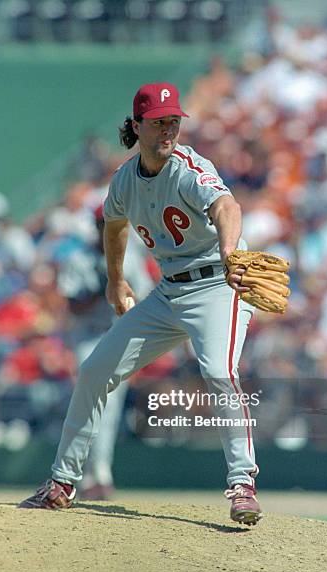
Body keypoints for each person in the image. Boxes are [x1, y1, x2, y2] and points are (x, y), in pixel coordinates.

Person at [19, 82, 262, 525]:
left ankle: (243, 483)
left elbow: (228, 207)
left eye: (174, 121)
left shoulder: (189, 167)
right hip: (169, 292)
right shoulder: (125, 180)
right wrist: (116, 281)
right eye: (159, 122)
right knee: (95, 370)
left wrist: (230, 255)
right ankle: (62, 481)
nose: (169, 129)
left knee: (219, 372)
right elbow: (114, 225)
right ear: (136, 126)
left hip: (216, 285)